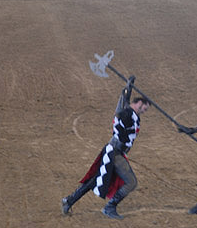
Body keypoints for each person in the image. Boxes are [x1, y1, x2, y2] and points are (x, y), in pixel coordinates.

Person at [61, 77, 151, 219]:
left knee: (96, 178)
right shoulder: (128, 114)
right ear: (139, 103)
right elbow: (122, 110)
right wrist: (127, 90)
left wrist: (128, 88)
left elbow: (123, 106)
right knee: (131, 182)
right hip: (115, 152)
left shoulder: (131, 114)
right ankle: (110, 207)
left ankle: (69, 200)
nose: (144, 111)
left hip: (114, 150)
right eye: (144, 108)